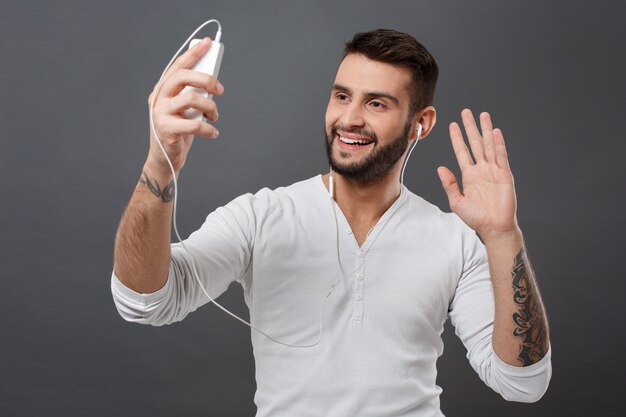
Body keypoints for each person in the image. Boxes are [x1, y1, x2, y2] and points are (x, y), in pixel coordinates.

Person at [111, 29, 551, 416]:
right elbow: (144, 303)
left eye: (376, 103)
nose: (349, 118)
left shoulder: (455, 242)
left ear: (420, 124)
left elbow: (522, 384)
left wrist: (502, 235)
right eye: (342, 96)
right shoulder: (260, 217)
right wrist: (159, 165)